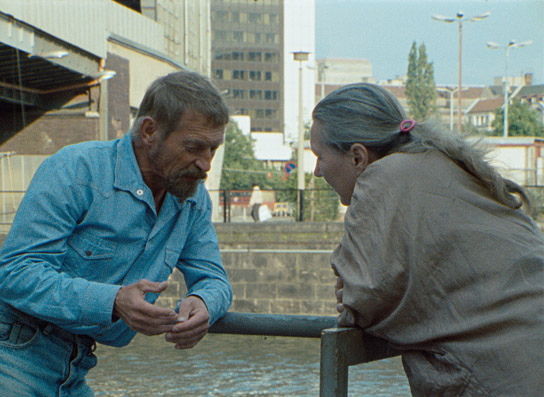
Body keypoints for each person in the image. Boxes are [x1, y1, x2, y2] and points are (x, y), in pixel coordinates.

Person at [0, 70, 233, 395]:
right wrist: (112, 301)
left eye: (213, 149)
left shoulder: (193, 200)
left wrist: (203, 302)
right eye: (194, 147)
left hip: (76, 365)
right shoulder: (76, 169)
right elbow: (15, 272)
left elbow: (214, 279)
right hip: (12, 353)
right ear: (150, 130)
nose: (206, 164)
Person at [310, 82, 544, 396]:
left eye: (319, 156)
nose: (316, 171)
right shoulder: (442, 161)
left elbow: (363, 294)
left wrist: (352, 290)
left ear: (357, 157)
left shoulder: (380, 179)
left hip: (507, 376)